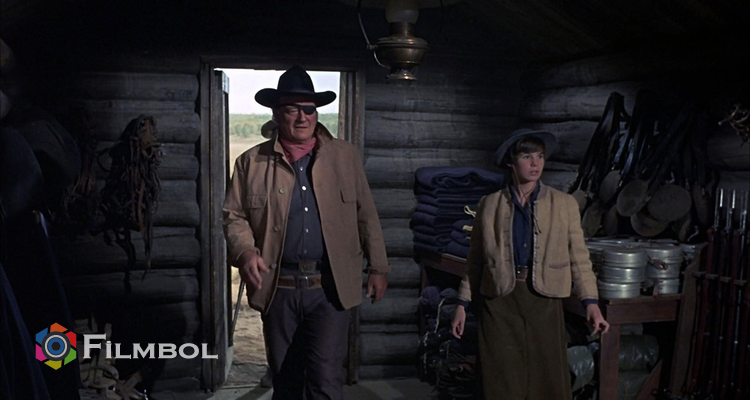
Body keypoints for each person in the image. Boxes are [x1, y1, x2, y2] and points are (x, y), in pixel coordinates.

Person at [223, 65, 390, 399]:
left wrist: (378, 266)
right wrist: (245, 251)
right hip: (278, 289)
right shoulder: (251, 163)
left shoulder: (345, 156)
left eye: (309, 109)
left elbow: (366, 214)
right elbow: (234, 216)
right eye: (292, 109)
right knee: (286, 380)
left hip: (329, 288)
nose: (302, 117)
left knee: (325, 381)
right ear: (276, 114)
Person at [450, 128, 609, 399]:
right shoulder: (490, 205)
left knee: (547, 378)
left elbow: (579, 257)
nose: (535, 164)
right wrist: (462, 304)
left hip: (544, 300)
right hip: (500, 301)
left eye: (540, 157)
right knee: (501, 378)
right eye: (527, 157)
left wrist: (590, 303)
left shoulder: (563, 204)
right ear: (511, 162)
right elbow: (475, 260)